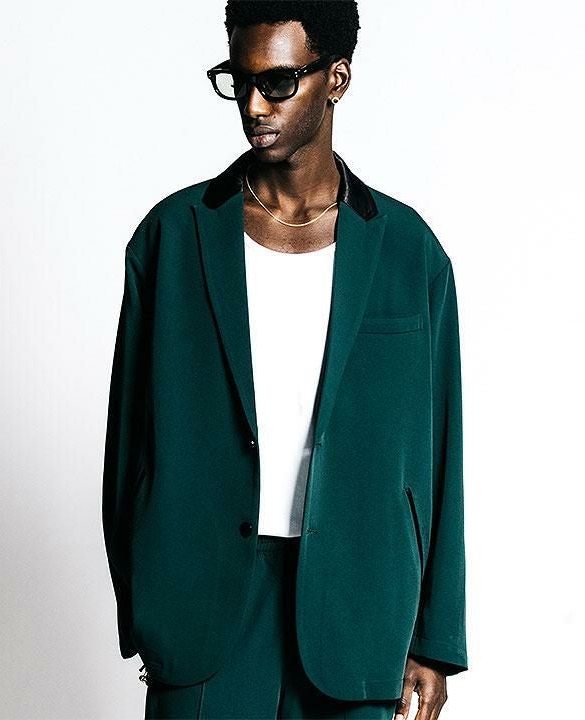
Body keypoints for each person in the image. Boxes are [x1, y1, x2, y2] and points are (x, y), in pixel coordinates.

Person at [101, 1, 468, 718]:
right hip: (202, 608)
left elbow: (441, 452)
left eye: (276, 83)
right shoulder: (171, 239)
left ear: (336, 79)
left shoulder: (409, 252)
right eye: (239, 82)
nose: (252, 105)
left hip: (360, 607)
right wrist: (146, 607)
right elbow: (126, 449)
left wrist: (436, 638)